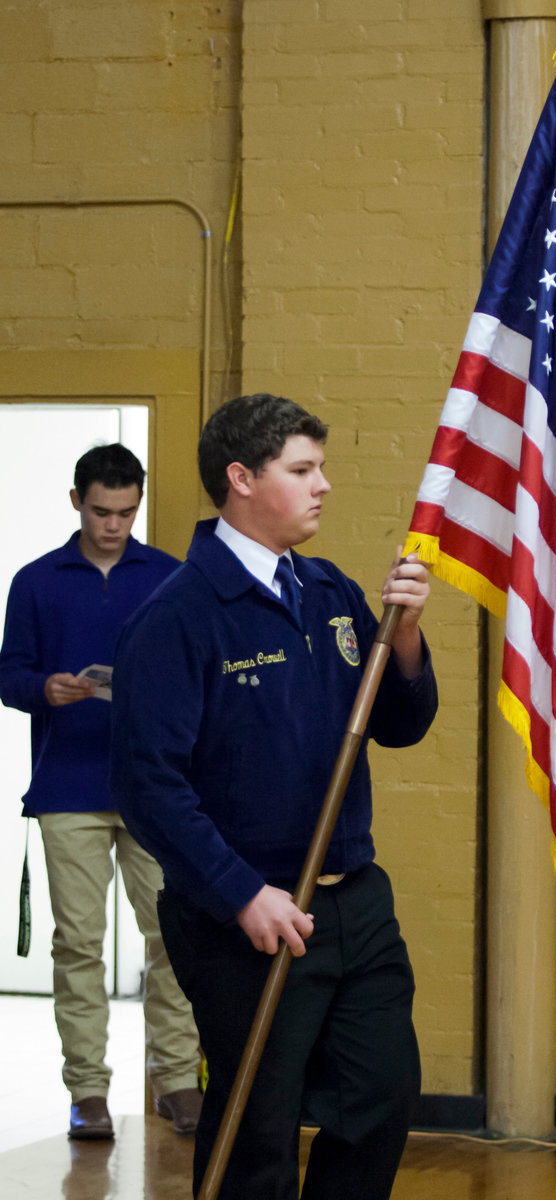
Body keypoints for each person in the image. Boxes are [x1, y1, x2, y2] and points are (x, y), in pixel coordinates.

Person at [109, 393, 438, 1200]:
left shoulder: (328, 592)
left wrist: (403, 639)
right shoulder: (178, 616)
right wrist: (239, 895)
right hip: (247, 920)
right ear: (241, 479)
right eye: (302, 469)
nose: (323, 483)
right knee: (259, 1128)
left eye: (319, 466)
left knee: (380, 1098)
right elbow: (148, 785)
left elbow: (398, 726)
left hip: (353, 903)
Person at [0, 443, 203, 1141]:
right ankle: (86, 1093)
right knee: (78, 946)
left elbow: (198, 677)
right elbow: (9, 675)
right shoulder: (34, 581)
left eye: (125, 511)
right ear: (75, 502)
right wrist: (42, 689)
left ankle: (178, 1082)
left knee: (172, 939)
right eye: (100, 511)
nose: (113, 524)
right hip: (67, 788)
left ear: (138, 504)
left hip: (156, 791)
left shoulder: (173, 578)